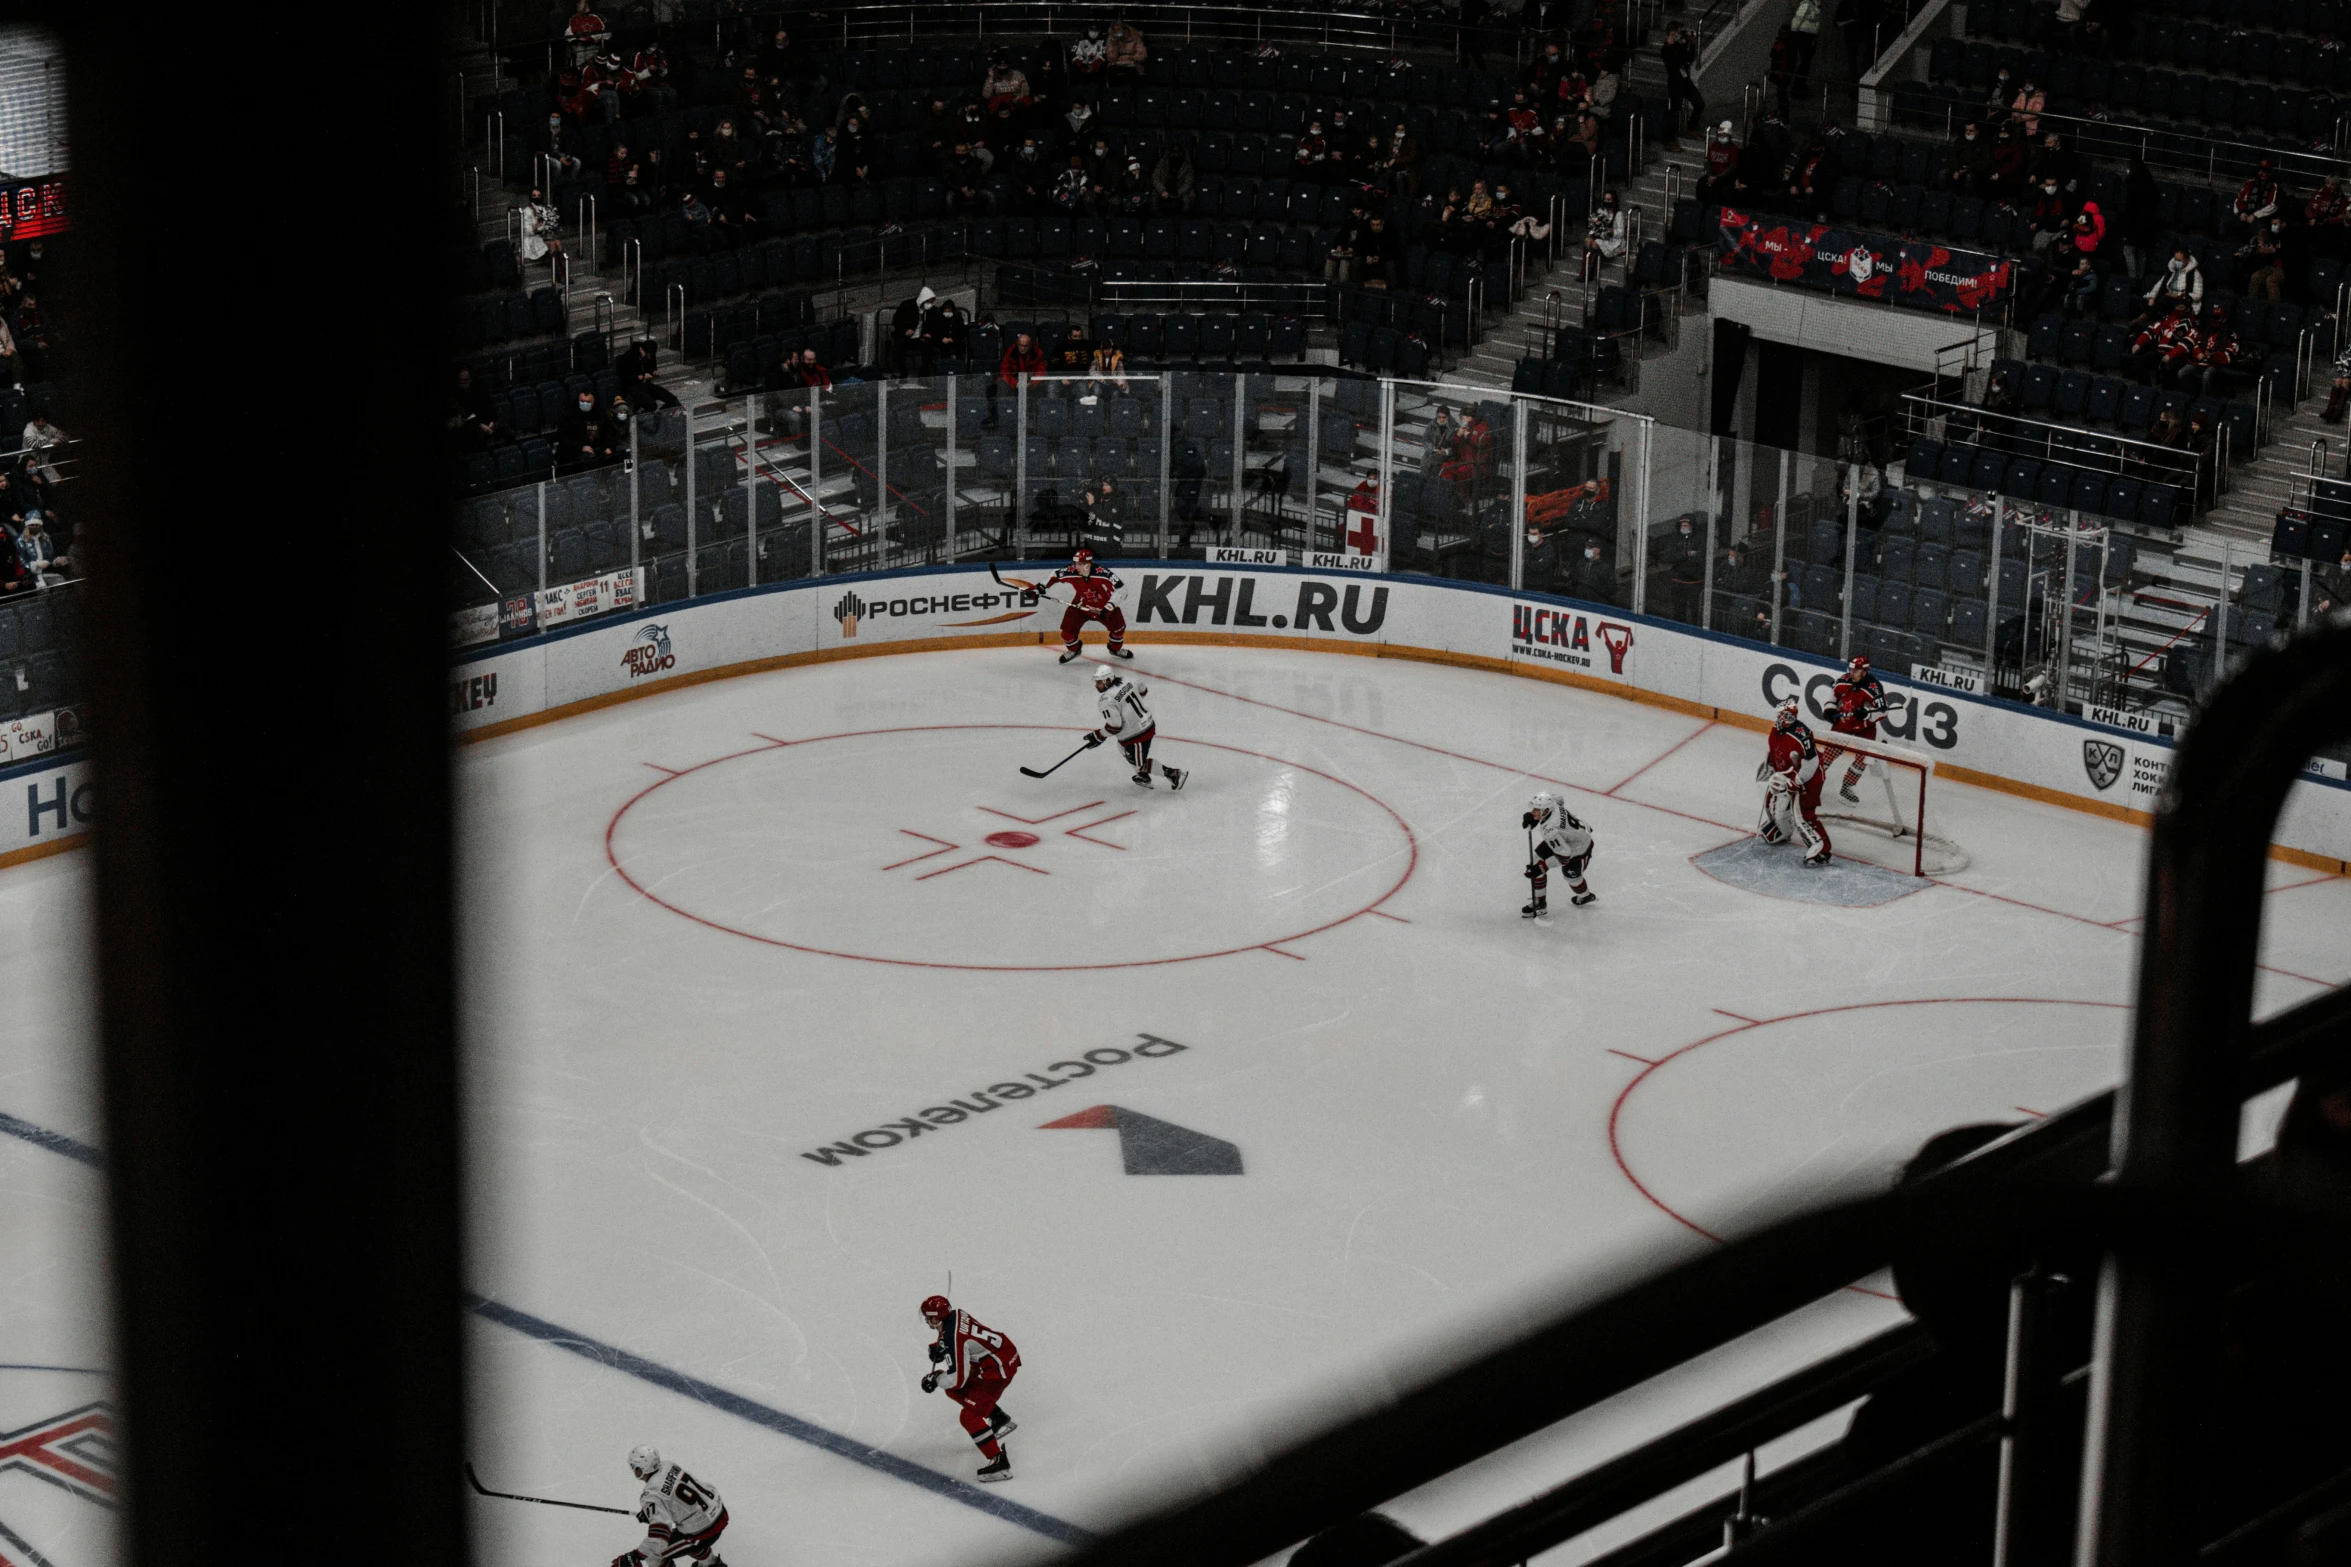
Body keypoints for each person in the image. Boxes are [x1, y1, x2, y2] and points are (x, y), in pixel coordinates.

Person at [921, 1295, 1021, 1482]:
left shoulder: (953, 1338)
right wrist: (940, 1347)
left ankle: (1000, 1463)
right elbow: (963, 1338)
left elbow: (957, 1379)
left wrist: (935, 1378)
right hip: (1000, 1354)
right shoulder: (956, 1314)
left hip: (998, 1368)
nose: (928, 1321)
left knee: (969, 1416)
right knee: (953, 1390)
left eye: (932, 1318)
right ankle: (998, 1417)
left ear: (940, 1316)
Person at [619, 1445, 729, 1567]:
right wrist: (651, 1511)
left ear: (642, 1468)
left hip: (704, 1530)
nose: (634, 1471)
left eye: (635, 1467)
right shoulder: (669, 1465)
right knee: (682, 1536)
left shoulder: (650, 1495)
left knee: (653, 1554)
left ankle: (710, 1562)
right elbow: (672, 1497)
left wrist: (636, 1555)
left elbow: (660, 1535)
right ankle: (711, 1564)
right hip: (719, 1513)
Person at [1082, 664, 1188, 790]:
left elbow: (1115, 727)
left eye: (1099, 682)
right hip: (1147, 723)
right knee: (1122, 747)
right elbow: (1143, 688)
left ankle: (1174, 774)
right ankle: (1144, 777)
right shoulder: (1127, 681)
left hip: (1137, 734)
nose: (1096, 685)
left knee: (1139, 765)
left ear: (1108, 680)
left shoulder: (1106, 701)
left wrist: (1098, 735)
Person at [1826, 654, 1902, 817]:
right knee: (1829, 754)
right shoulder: (1844, 680)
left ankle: (1847, 787)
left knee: (1863, 759)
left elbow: (1883, 712)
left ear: (1864, 672)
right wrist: (1830, 709)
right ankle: (1813, 780)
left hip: (1864, 728)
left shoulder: (1874, 688)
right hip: (1844, 724)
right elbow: (1834, 695)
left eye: (1856, 671)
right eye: (1851, 669)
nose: (1851, 673)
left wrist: (1867, 715)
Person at [1759, 697, 1831, 867]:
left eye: (1783, 714)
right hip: (1789, 774)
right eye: (1779, 714)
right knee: (1771, 801)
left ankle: (1822, 847)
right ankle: (1783, 830)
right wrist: (1770, 765)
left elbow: (1811, 763)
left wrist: (1797, 781)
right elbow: (1775, 751)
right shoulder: (1776, 731)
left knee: (1805, 814)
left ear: (1790, 716)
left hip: (1809, 779)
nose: (1779, 717)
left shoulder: (1802, 734)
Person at [1521, 791, 1598, 919]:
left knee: (1571, 876)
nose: (1533, 811)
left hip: (1578, 846)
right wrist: (1535, 817)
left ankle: (1585, 896)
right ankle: (1539, 903)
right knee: (1536, 861)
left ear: (1546, 810)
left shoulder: (1550, 830)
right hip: (1567, 837)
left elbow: (1564, 857)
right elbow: (1559, 799)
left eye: (1537, 809)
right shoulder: (1553, 803)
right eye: (1534, 808)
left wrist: (1541, 867)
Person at [1047, 547, 1130, 663]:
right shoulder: (1072, 571)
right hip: (1081, 606)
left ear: (1088, 564)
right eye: (1075, 563)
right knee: (1067, 633)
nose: (1076, 567)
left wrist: (1109, 607)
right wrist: (1039, 588)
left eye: (1080, 564)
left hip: (1105, 608)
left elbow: (1122, 590)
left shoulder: (1103, 573)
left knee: (1118, 630)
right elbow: (1054, 575)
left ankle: (1115, 650)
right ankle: (1074, 650)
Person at [990, 328, 1049, 427]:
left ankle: (1031, 420)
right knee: (1001, 384)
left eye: (1025, 346)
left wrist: (1032, 383)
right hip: (1014, 380)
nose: (1022, 348)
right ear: (1017, 344)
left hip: (1029, 381)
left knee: (1040, 386)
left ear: (1030, 345)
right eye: (1020, 345)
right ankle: (1004, 416)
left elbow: (1041, 372)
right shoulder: (1010, 352)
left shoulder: (1037, 353)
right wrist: (1015, 383)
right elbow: (1004, 371)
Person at [1662, 26, 1703, 140]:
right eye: (1677, 33)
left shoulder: (1678, 46)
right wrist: (1682, 44)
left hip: (1685, 81)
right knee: (1675, 111)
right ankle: (1669, 138)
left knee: (1699, 104)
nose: (1679, 35)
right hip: (1675, 83)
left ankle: (1691, 129)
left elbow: (1688, 58)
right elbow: (1676, 60)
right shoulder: (1666, 48)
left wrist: (1692, 44)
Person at [891, 286, 937, 375]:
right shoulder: (907, 306)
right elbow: (897, 321)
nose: (930, 304)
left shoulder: (932, 310)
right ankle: (903, 372)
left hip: (921, 338)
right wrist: (905, 330)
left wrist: (928, 333)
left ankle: (923, 375)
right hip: (905, 337)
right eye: (928, 302)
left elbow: (933, 324)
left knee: (930, 351)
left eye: (931, 302)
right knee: (897, 350)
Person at [1583, 189, 1627, 279]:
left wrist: (1612, 230)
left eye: (1609, 200)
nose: (1606, 202)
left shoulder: (1618, 214)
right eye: (1605, 199)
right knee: (1588, 241)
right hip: (1601, 235)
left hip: (1614, 239)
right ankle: (1584, 270)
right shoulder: (1600, 210)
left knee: (1595, 243)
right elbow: (1596, 225)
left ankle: (1591, 271)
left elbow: (1621, 233)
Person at [16, 514, 64, 583]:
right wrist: (36, 565)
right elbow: (20, 562)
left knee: (60, 581)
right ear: (27, 526)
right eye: (32, 525)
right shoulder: (21, 540)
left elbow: (50, 557)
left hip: (45, 572)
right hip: (29, 575)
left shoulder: (45, 537)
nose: (34, 527)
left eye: (37, 525)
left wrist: (56, 561)